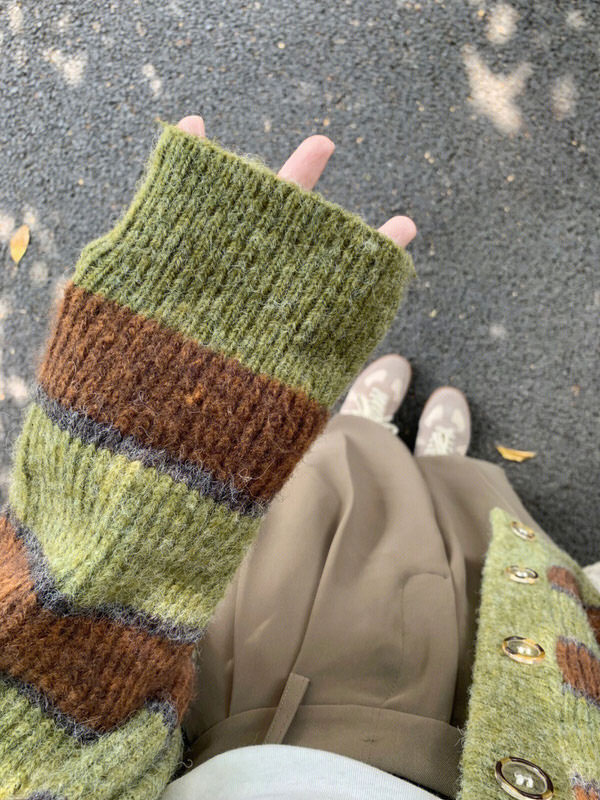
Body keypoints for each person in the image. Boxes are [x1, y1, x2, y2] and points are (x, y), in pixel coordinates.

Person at [0, 115, 598, 800]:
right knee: (475, 536)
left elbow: (42, 713)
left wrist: (158, 449)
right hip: (536, 724)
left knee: (325, 502)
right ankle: (440, 472)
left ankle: (366, 439)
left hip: (256, 702)